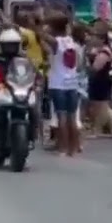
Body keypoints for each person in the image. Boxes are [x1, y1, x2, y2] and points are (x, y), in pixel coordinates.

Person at [46, 15, 82, 157]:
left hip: (58, 83)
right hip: (72, 83)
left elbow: (40, 33)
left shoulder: (56, 42)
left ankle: (62, 147)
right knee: (72, 117)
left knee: (61, 116)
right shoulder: (72, 42)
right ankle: (73, 149)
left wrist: (34, 23)